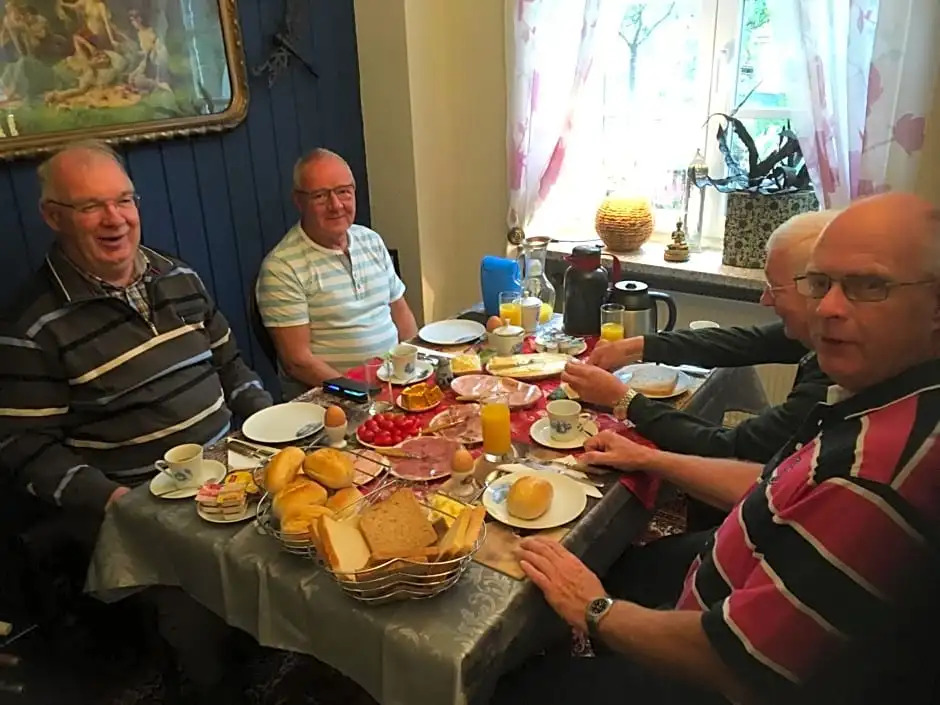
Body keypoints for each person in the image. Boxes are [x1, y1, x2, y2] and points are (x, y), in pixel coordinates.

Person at [492, 192, 940, 705]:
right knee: (615, 559)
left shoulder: (874, 473)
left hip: (708, 671)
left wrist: (594, 609)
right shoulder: (883, 396)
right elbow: (776, 475)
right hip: (727, 573)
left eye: (870, 286)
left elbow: (732, 663)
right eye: (820, 284)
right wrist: (646, 456)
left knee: (515, 685)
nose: (829, 307)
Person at [0, 140, 271, 702]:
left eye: (124, 200)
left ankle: (287, 656)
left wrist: (272, 423)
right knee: (205, 626)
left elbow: (230, 365)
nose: (115, 218)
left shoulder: (179, 277)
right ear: (53, 217)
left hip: (237, 470)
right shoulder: (33, 324)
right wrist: (117, 502)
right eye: (91, 206)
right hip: (147, 505)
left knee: (312, 550)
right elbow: (25, 447)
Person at [562, 210, 837, 464]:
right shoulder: (821, 336)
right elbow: (742, 342)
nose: (764, 300)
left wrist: (624, 399)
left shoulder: (830, 385)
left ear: (818, 288)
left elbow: (729, 447)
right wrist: (636, 347)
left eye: (775, 289)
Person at [257, 148, 418, 399]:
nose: (336, 205)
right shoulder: (282, 267)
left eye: (343, 192)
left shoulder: (371, 240)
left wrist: (414, 370)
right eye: (320, 196)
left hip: (393, 383)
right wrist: (362, 394)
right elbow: (298, 362)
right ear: (299, 201)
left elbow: (402, 315)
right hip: (336, 399)